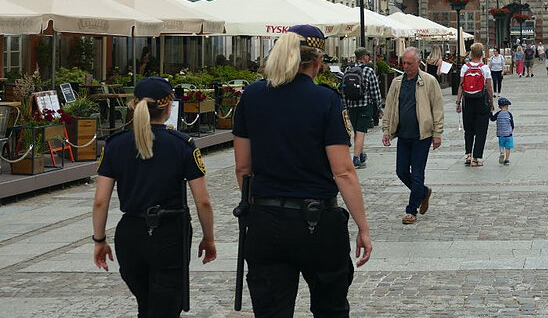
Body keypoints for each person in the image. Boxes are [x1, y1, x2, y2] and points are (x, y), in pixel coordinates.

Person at [232, 25, 371, 316]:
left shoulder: (252, 96)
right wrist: (363, 227)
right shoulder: (326, 99)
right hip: (316, 220)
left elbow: (243, 167)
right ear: (318, 62)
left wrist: (259, 205)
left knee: (271, 309)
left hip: (266, 219)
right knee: (329, 306)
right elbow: (343, 171)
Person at [92, 76, 217, 317]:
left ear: (134, 104)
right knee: (166, 307)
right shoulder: (182, 145)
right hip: (170, 233)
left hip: (130, 233)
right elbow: (203, 200)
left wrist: (99, 240)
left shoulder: (115, 145)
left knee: (145, 304)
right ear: (169, 106)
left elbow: (100, 200)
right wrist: (208, 237)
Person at [382, 48, 445, 224]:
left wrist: (437, 133)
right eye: (404, 63)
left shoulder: (429, 81)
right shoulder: (397, 83)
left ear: (419, 63)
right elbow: (389, 107)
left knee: (417, 174)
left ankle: (411, 211)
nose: (406, 66)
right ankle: (424, 192)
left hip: (422, 136)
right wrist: (386, 130)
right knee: (401, 171)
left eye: (409, 63)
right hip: (403, 134)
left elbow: (437, 108)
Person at [342, 48, 384, 169]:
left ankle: (360, 154)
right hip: (365, 105)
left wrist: (345, 106)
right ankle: (355, 158)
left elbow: (344, 89)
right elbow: (375, 91)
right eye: (367, 55)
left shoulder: (348, 70)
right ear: (364, 57)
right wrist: (379, 107)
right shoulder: (368, 71)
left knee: (356, 131)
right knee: (361, 132)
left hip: (351, 106)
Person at [457, 43, 495, 166]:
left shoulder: (465, 67)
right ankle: (476, 158)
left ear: (471, 54)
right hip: (481, 100)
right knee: (481, 130)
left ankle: (468, 154)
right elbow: (489, 87)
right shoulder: (484, 68)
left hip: (467, 101)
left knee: (468, 129)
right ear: (482, 54)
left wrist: (458, 102)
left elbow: (461, 86)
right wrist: (491, 102)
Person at [491, 97, 515, 165]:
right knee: (508, 147)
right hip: (508, 134)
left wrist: (490, 112)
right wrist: (511, 129)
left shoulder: (498, 114)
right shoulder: (509, 114)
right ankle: (507, 159)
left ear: (499, 106)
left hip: (500, 134)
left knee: (501, 145)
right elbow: (512, 124)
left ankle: (501, 153)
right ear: (507, 106)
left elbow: (492, 119)